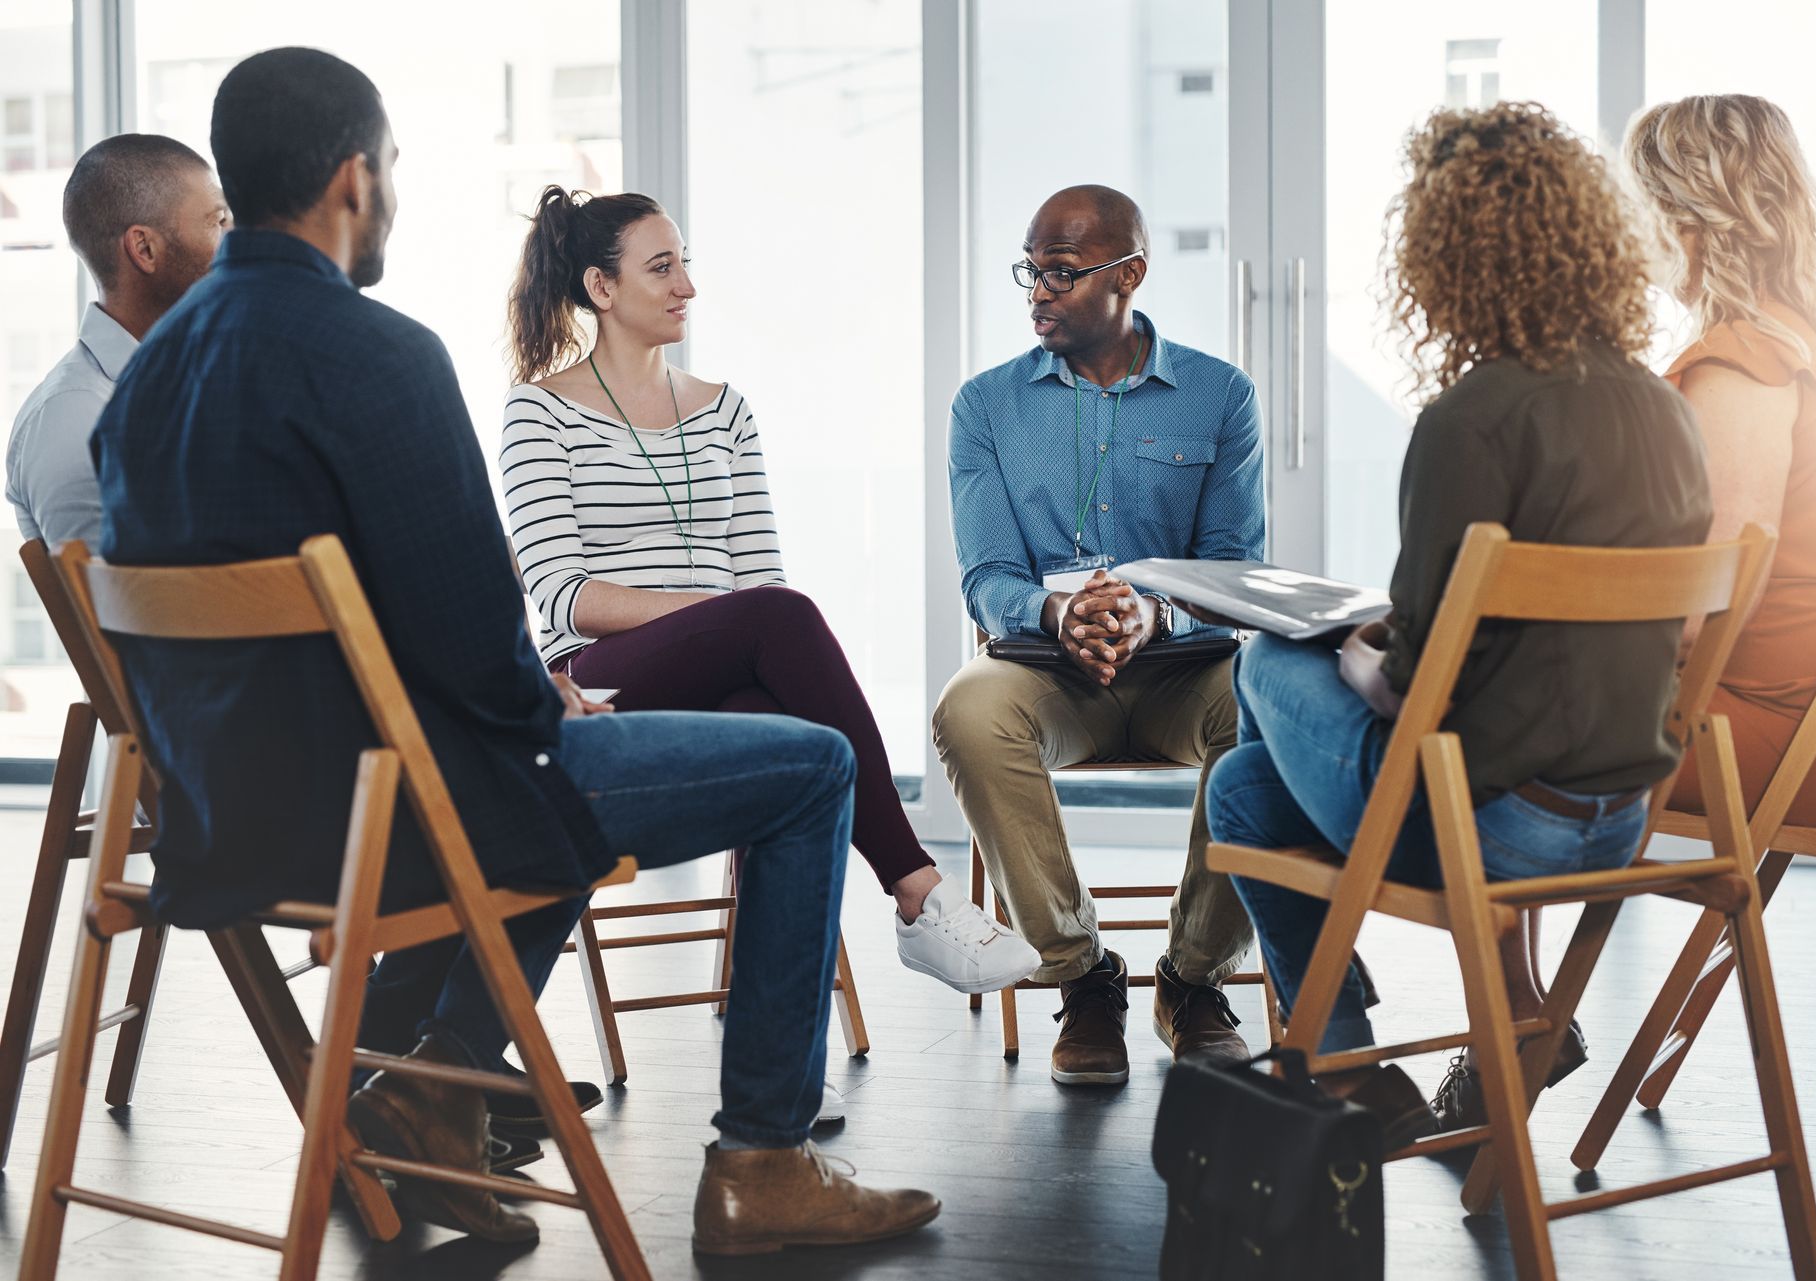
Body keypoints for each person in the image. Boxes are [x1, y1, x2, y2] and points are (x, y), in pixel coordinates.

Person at [90, 47, 937, 1255]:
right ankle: (762, 1160)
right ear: (351, 179)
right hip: (393, 816)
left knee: (534, 761)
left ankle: (435, 1088)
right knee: (806, 767)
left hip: (226, 824)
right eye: (389, 168)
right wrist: (555, 707)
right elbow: (482, 645)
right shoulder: (378, 356)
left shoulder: (147, 379)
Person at [1204, 102, 1712, 1143]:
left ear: (1445, 257)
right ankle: (1345, 1063)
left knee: (1263, 660)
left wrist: (1353, 656)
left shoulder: (1468, 421)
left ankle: (1340, 1064)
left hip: (1493, 828)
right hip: (1620, 813)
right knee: (1241, 790)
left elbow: (1414, 679)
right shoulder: (1667, 412)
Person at [501, 185, 1037, 1000]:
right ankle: (917, 890)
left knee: (773, 731)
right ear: (600, 288)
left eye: (686, 264)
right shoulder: (538, 412)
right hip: (604, 677)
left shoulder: (726, 412)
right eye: (662, 267)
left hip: (732, 659)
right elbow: (562, 596)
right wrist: (717, 618)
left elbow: (759, 579)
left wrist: (730, 623)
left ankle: (778, 1050)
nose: (687, 285)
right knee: (778, 622)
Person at [934, 184, 1264, 1087]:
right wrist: (1057, 614)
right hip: (1048, 672)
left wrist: (1155, 611)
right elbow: (986, 576)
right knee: (967, 711)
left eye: (1063, 273)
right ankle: (1083, 978)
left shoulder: (1219, 396)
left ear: (1131, 275)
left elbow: (1235, 573)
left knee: (1275, 709)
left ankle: (1193, 980)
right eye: (1030, 271)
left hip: (1181, 672)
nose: (1038, 291)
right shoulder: (985, 407)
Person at [1626, 94, 1816, 830]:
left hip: (1779, 746)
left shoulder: (1744, 364)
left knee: (1483, 721)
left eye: (1639, 206)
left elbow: (1706, 610)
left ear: (1687, 222)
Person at [7, 133, 228, 549]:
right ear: (144, 248)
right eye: (217, 221)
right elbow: (124, 605)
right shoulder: (74, 416)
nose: (235, 239)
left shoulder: (199, 379)